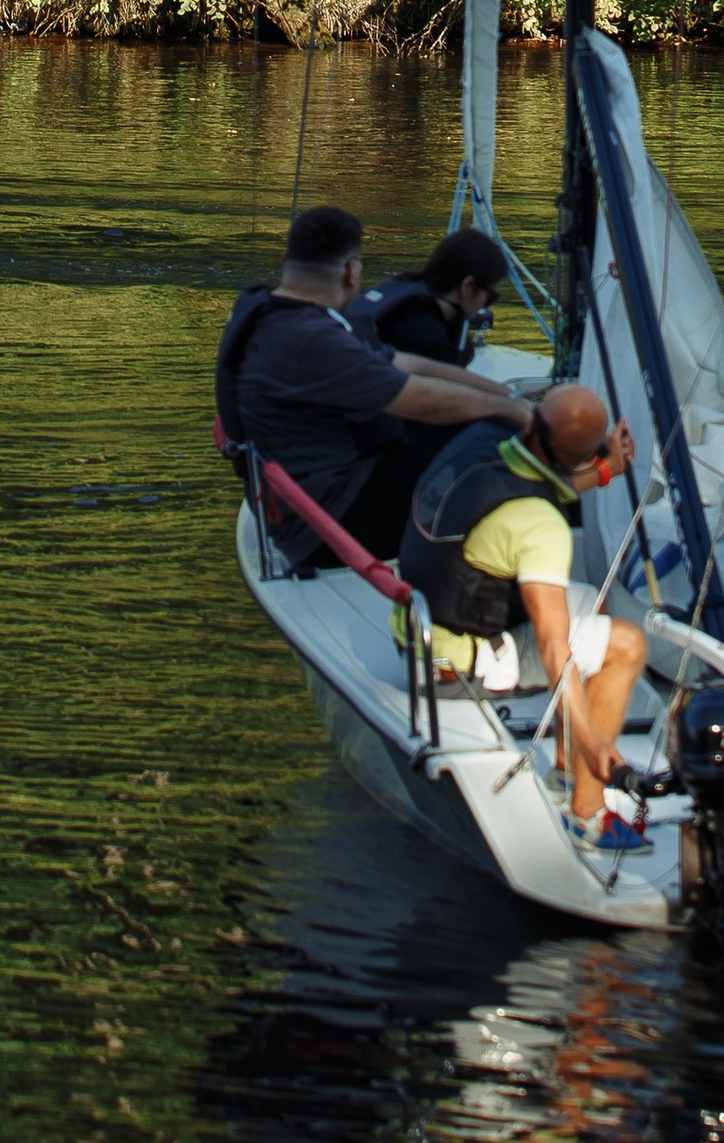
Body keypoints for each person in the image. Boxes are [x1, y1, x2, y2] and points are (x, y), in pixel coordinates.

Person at [398, 383, 653, 860]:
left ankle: (563, 764)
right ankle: (588, 812)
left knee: (589, 606)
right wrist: (596, 743)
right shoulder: (541, 527)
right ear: (579, 453)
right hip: (456, 668)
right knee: (626, 643)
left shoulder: (481, 441)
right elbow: (555, 647)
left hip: (420, 629)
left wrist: (602, 470)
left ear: (533, 422)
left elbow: (527, 489)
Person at [218, 206, 513, 572]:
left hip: (303, 509)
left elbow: (407, 363)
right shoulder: (310, 339)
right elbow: (422, 401)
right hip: (328, 531)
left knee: (476, 427)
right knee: (485, 443)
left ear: (285, 260)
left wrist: (503, 396)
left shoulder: (267, 311)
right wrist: (513, 414)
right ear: (351, 271)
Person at [348, 228, 511, 369]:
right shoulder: (428, 337)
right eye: (490, 296)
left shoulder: (403, 285)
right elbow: (448, 394)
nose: (485, 306)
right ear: (467, 286)